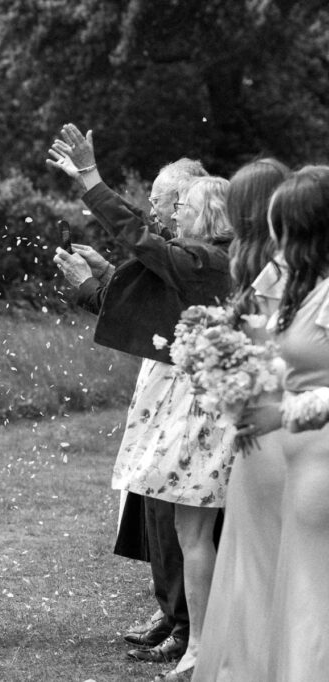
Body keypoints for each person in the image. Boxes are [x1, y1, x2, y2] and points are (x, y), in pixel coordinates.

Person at [49, 125, 235, 682]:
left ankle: (193, 634)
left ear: (205, 213)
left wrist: (91, 180)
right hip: (183, 400)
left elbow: (142, 241)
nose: (169, 217)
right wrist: (102, 279)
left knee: (189, 529)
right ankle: (186, 628)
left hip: (198, 407)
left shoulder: (209, 260)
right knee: (174, 522)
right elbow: (145, 282)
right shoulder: (203, 258)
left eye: (179, 207)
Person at [226, 166, 329, 680]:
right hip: (300, 462)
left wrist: (281, 411)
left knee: (315, 605)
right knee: (303, 601)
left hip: (321, 459)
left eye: (283, 231)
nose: (275, 243)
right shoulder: (306, 291)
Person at [190, 159, 289, 681]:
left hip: (268, 428)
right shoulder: (268, 270)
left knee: (258, 560)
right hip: (266, 426)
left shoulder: (269, 274)